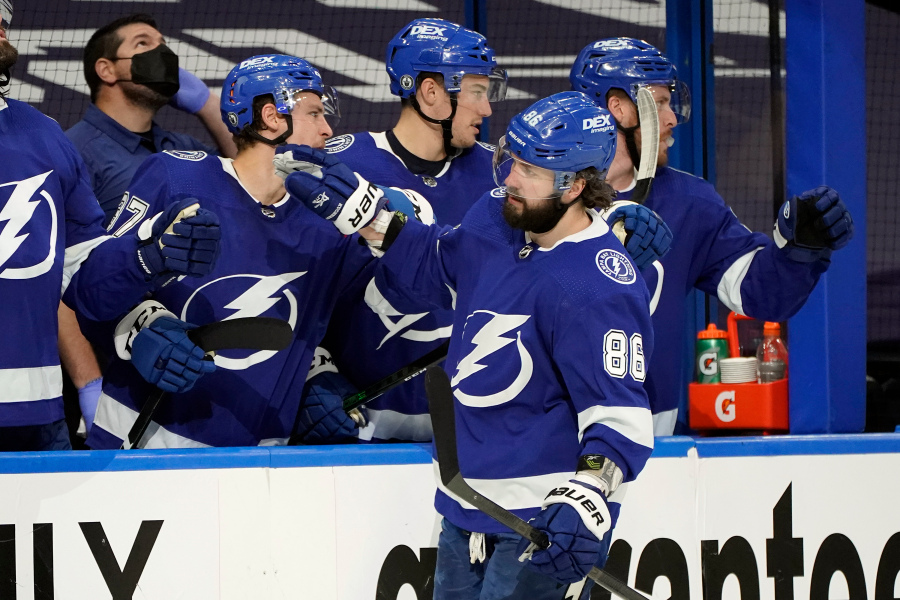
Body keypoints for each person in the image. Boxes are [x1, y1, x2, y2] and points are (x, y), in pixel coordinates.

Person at [284, 91, 654, 599]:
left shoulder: (599, 285)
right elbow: (437, 267)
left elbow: (618, 417)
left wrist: (588, 496)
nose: (508, 180)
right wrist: (371, 219)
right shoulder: (496, 217)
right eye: (512, 160)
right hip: (464, 503)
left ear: (576, 187)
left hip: (540, 518)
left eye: (529, 170)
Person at [321, 18, 669, 443]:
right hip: (361, 417)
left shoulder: (506, 177)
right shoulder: (347, 167)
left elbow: (568, 237)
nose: (487, 110)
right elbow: (303, 281)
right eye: (478, 92)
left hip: (479, 428)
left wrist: (615, 223)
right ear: (432, 92)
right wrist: (316, 372)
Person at [84, 54, 423, 449]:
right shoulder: (176, 176)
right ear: (271, 116)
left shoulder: (328, 223)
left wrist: (317, 371)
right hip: (136, 447)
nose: (327, 129)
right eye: (314, 113)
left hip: (257, 464)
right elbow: (89, 292)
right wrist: (138, 326)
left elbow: (362, 315)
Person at [570, 37, 855, 435]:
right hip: (544, 440)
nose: (672, 119)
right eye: (659, 103)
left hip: (651, 442)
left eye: (672, 102)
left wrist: (800, 250)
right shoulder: (538, 197)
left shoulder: (690, 202)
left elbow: (761, 294)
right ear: (617, 108)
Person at [0, 5, 221, 451]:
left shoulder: (44, 135)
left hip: (37, 414)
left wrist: (144, 284)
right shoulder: (80, 142)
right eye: (144, 45)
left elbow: (76, 266)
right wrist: (88, 380)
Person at [67, 13, 237, 226]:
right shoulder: (73, 152)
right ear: (107, 70)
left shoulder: (184, 148)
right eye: (142, 43)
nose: (162, 52)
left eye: (163, 44)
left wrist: (208, 105)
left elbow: (253, 178)